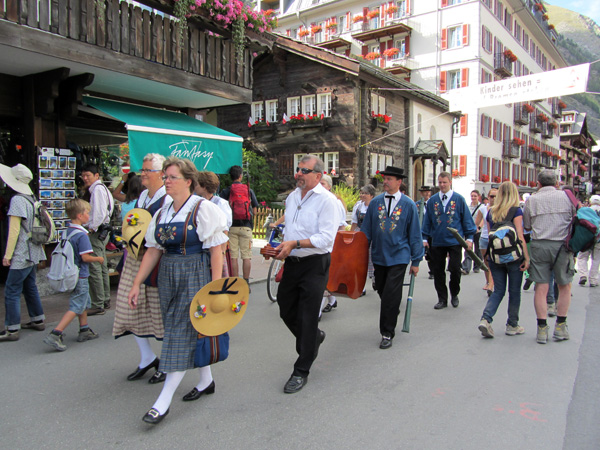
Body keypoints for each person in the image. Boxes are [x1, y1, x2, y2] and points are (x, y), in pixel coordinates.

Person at [128, 157, 227, 424]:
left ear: (188, 181)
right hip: (168, 275)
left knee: (179, 334)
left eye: (172, 177)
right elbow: (153, 250)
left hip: (195, 272)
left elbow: (216, 250)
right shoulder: (162, 212)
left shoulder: (203, 208)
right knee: (184, 328)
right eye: (166, 177)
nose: (167, 181)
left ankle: (163, 401)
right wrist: (136, 283)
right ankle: (206, 381)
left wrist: (214, 289)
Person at [272, 155, 338, 394]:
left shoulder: (327, 201)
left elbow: (326, 238)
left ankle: (301, 370)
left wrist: (295, 243)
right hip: (292, 262)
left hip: (315, 263)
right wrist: (281, 247)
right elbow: (291, 230)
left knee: (308, 316)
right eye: (297, 169)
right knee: (285, 307)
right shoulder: (292, 197)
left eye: (304, 170)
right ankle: (313, 338)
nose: (297, 173)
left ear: (318, 176)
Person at [112, 153, 169, 384]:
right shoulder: (144, 195)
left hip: (156, 258)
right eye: (143, 169)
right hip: (135, 256)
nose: (142, 174)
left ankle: (168, 362)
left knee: (160, 313)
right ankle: (147, 357)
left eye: (147, 170)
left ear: (161, 174)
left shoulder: (167, 198)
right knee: (128, 307)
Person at [360, 166, 423, 349]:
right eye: (384, 178)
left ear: (399, 182)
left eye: (389, 179)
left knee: (390, 293)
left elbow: (415, 234)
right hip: (379, 255)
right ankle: (392, 309)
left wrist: (416, 260)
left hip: (399, 256)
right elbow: (366, 231)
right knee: (381, 288)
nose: (385, 182)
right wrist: (360, 252)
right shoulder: (375, 203)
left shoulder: (409, 205)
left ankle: (387, 332)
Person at [523, 170, 577, 344]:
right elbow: (575, 218)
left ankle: (542, 329)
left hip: (540, 245)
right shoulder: (566, 197)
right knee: (564, 286)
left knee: (541, 287)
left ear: (538, 184)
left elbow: (527, 225)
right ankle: (560, 327)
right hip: (562, 245)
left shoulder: (532, 200)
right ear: (556, 183)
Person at [43, 199, 103, 350]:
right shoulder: (82, 235)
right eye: (87, 212)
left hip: (71, 273)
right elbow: (85, 257)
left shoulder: (67, 231)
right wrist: (98, 259)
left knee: (82, 302)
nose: (89, 215)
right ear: (80, 215)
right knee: (76, 306)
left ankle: (84, 329)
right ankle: (56, 333)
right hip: (80, 274)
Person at [0, 164, 47, 342]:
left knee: (12, 289)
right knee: (30, 286)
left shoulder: (17, 200)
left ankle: (12, 328)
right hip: (34, 250)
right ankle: (38, 319)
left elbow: (14, 231)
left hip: (22, 252)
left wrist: (8, 255)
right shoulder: (31, 198)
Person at [478, 182, 529, 338]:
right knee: (514, 291)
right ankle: (512, 324)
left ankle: (486, 319)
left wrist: (488, 256)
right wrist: (526, 257)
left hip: (496, 256)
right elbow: (519, 235)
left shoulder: (491, 212)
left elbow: (490, 235)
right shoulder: (516, 211)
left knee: (498, 290)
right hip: (514, 257)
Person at [422, 172, 477, 310]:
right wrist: (424, 238)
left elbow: (466, 219)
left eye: (444, 182)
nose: (442, 185)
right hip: (438, 241)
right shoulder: (433, 200)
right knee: (438, 271)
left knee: (455, 269)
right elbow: (427, 220)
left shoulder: (459, 199)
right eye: (440, 182)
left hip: (454, 241)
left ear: (450, 182)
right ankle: (442, 298)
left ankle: (454, 293)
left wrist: (469, 238)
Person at [81, 164, 114, 315]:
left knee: (95, 266)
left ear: (96, 175)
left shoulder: (98, 190)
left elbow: (99, 214)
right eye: (83, 175)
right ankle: (104, 299)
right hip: (101, 230)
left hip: (97, 231)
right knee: (101, 265)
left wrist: (91, 229)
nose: (85, 178)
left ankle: (98, 303)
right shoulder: (101, 189)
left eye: (88, 175)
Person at [219, 165, 259, 287]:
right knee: (246, 256)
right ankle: (246, 282)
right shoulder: (248, 190)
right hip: (246, 226)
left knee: (233, 256)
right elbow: (255, 209)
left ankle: (235, 283)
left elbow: (220, 206)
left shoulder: (227, 191)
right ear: (241, 176)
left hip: (232, 227)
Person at [318, 174, 346, 315]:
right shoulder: (315, 201)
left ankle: (317, 311)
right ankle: (332, 300)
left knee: (326, 276)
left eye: (323, 183)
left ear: (329, 186)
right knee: (322, 276)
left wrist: (339, 247)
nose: (320, 186)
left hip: (331, 245)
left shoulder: (335, 202)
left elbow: (341, 226)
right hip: (316, 245)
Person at [196, 171, 233, 276]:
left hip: (217, 248)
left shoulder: (220, 203)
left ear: (204, 186)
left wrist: (222, 253)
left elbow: (225, 230)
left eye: (197, 183)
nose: (194, 186)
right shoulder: (196, 202)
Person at [351, 184, 376, 293]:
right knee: (360, 262)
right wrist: (351, 236)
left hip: (372, 236)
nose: (362, 195)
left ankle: (375, 278)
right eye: (361, 193)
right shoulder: (358, 206)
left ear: (371, 195)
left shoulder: (375, 206)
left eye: (365, 193)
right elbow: (354, 222)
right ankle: (362, 286)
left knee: (373, 260)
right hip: (360, 235)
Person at [475, 187, 497, 293]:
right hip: (484, 238)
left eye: (496, 196)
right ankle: (488, 281)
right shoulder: (483, 209)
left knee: (494, 262)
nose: (494, 199)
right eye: (492, 196)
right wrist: (475, 230)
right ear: (488, 197)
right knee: (486, 262)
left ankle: (491, 285)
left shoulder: (501, 209)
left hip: (496, 239)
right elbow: (476, 223)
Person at [576, 195, 600, 287]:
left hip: (587, 237)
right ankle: (593, 280)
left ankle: (583, 275)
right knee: (596, 259)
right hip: (598, 238)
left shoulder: (586, 210)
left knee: (582, 257)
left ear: (590, 202)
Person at [461, 190, 483, 275]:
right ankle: (466, 268)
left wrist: (479, 227)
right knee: (468, 248)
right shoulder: (468, 207)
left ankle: (477, 266)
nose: (473, 198)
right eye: (472, 196)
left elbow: (483, 219)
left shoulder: (482, 207)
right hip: (469, 230)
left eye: (475, 196)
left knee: (478, 249)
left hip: (478, 231)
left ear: (478, 197)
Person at [415, 185, 434, 279]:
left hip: (432, 232)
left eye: (428, 192)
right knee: (427, 253)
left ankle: (434, 270)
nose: (426, 193)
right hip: (421, 231)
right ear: (421, 193)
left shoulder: (433, 204)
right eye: (424, 192)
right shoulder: (417, 205)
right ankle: (432, 270)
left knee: (434, 251)